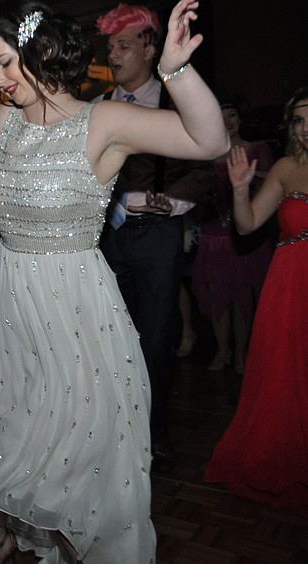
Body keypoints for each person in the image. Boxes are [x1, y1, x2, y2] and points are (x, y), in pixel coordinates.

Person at [0, 0, 228, 561]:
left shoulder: (101, 120)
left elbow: (210, 142)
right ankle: (3, 533)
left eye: (7, 64)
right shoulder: (4, 121)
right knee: (9, 430)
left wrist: (176, 71)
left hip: (76, 310)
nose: (0, 81)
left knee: (80, 452)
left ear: (42, 50)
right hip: (12, 307)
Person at [94, 2, 216, 472]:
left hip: (157, 236)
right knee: (107, 339)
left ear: (149, 47)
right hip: (106, 239)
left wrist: (175, 201)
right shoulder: (99, 105)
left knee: (156, 338)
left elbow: (204, 168)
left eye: (123, 45)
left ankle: (155, 431)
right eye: (109, 47)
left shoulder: (176, 100)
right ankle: (112, 432)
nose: (114, 55)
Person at [204, 87, 308, 517]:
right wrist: (241, 189)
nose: (305, 127)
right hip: (289, 285)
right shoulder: (285, 167)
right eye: (299, 119)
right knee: (286, 379)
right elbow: (246, 226)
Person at [191, 102, 274, 373]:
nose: (227, 121)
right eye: (221, 116)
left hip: (245, 235)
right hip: (213, 233)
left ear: (240, 119)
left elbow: (270, 191)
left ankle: (241, 354)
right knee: (216, 297)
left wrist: (253, 179)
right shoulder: (206, 154)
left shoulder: (257, 149)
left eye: (232, 114)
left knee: (242, 297)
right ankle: (221, 350)